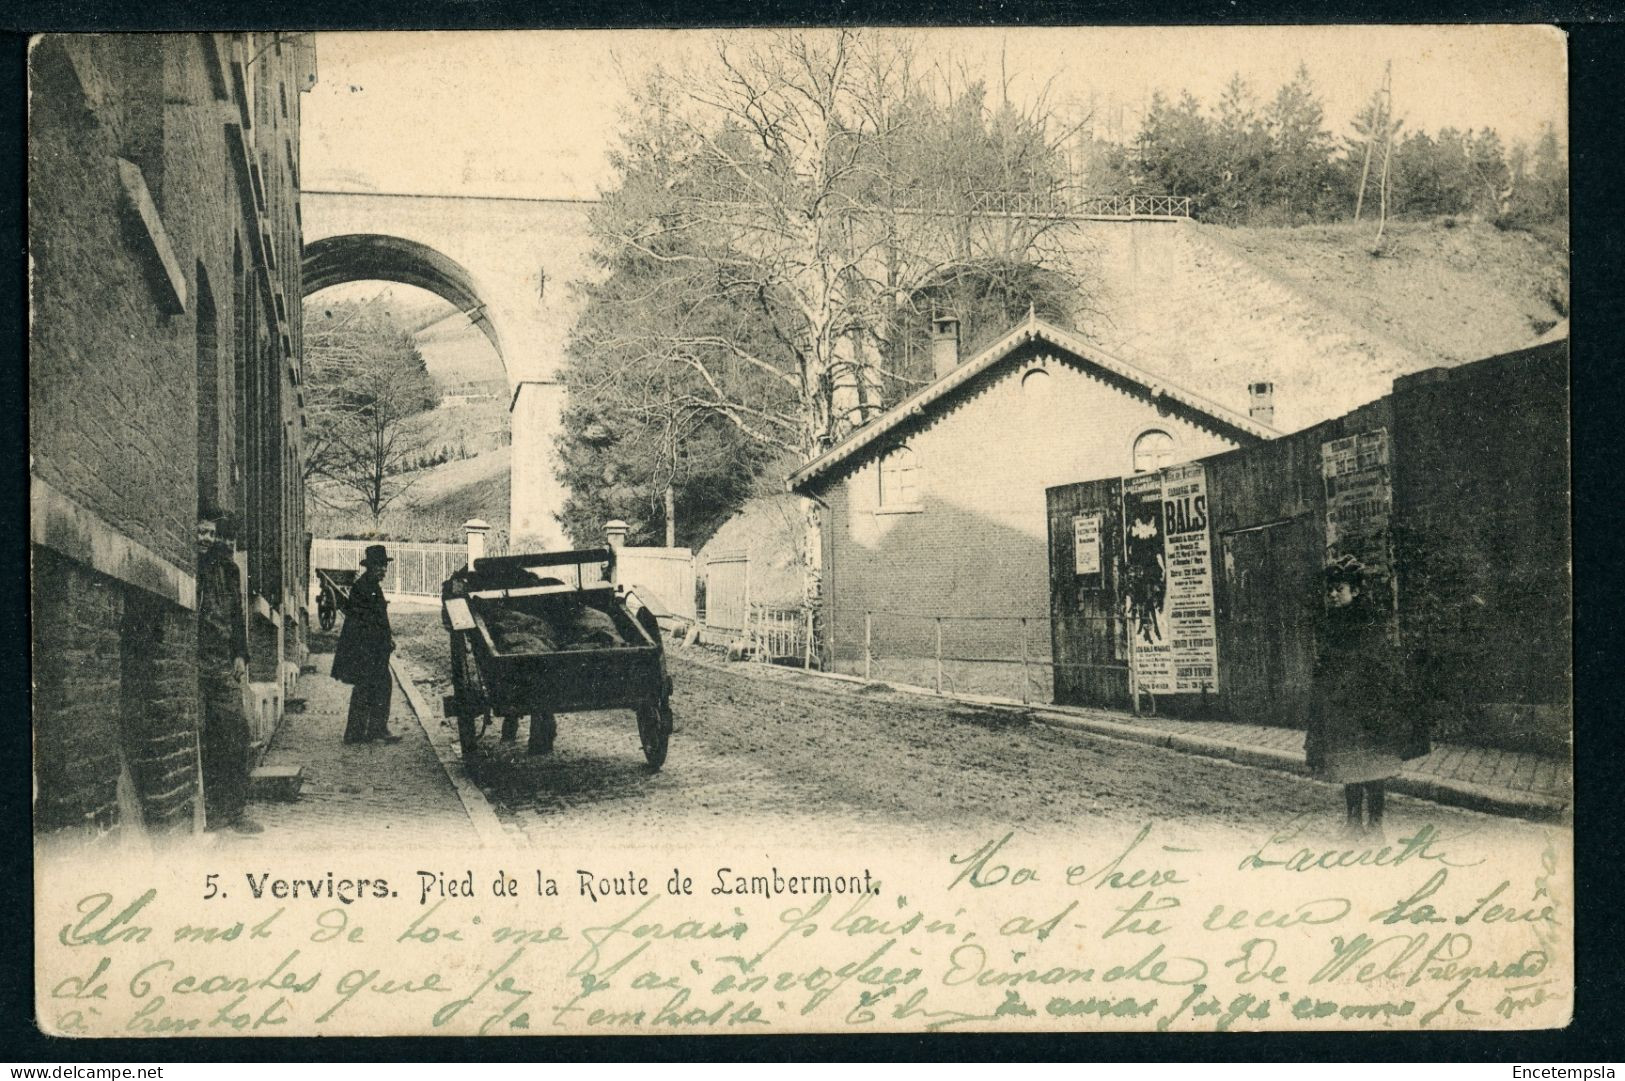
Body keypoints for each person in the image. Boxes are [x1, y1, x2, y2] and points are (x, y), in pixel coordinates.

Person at [1304, 555, 1427, 836]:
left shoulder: (1368, 621)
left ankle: (1375, 823)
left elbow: (1377, 663)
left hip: (1370, 707)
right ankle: (1352, 821)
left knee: (1373, 767)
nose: (1333, 595)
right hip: (1342, 708)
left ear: (1356, 591)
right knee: (1349, 766)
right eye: (1331, 589)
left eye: (1340, 589)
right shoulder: (1331, 623)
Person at [196, 509, 261, 833]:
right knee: (203, 738)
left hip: (221, 663)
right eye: (201, 531)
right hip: (193, 661)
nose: (206, 539)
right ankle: (210, 812)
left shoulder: (227, 570)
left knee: (236, 732)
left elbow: (236, 615)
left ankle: (234, 811)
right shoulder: (191, 565)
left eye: (210, 533)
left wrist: (240, 654)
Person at [332, 544, 403, 744]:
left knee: (373, 686)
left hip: (372, 647)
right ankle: (367, 731)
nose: (383, 570)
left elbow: (379, 618)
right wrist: (380, 642)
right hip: (366, 647)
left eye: (384, 566)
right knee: (372, 686)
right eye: (379, 566)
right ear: (369, 567)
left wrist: (387, 638)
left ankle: (365, 731)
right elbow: (365, 621)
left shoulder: (370, 586)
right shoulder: (364, 587)